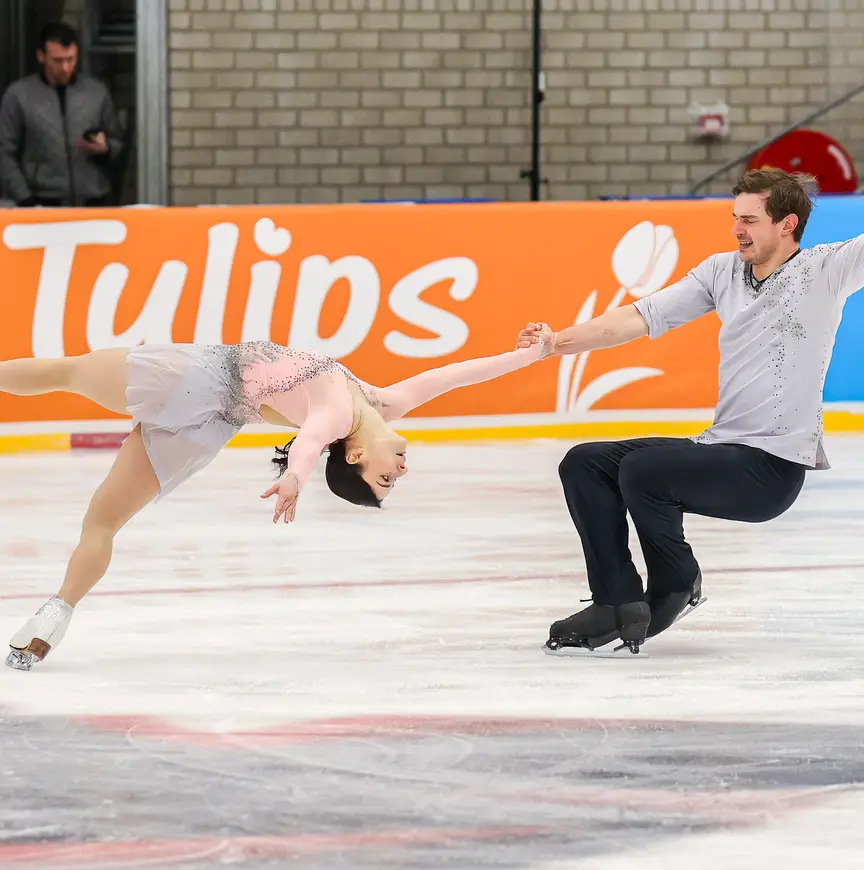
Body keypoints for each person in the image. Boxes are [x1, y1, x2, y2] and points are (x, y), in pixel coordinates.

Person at [2, 335, 554, 670]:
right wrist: (530, 356)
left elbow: (313, 435)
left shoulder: (340, 418)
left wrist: (295, 476)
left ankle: (54, 615)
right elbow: (455, 376)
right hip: (210, 424)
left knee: (63, 372)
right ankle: (51, 619)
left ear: (356, 453)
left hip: (192, 378)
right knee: (101, 522)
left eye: (384, 480)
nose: (401, 473)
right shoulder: (385, 402)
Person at [517, 168, 864, 655]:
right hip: (720, 449)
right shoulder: (721, 272)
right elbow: (640, 317)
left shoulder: (827, 269)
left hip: (771, 469)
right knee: (585, 462)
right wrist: (558, 343)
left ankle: (676, 583)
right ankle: (615, 600)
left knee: (644, 469)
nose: (737, 229)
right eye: (734, 217)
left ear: (788, 224)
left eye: (749, 220)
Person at [0, 21, 124, 208]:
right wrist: (25, 200)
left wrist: (105, 147)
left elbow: (117, 141)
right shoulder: (19, 96)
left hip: (92, 200)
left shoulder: (97, 93)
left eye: (71, 59)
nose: (66, 67)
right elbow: (5, 153)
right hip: (42, 201)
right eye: (58, 61)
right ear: (41, 56)